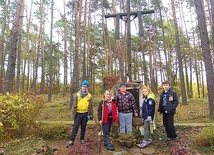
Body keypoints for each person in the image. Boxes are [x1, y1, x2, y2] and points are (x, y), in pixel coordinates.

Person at [66, 80, 93, 148]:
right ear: (81, 87)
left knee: (83, 127)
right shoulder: (77, 95)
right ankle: (71, 140)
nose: (84, 88)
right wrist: (73, 114)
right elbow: (73, 105)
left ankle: (82, 139)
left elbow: (91, 106)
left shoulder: (89, 96)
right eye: (83, 86)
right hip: (78, 114)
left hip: (85, 114)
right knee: (75, 127)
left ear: (88, 88)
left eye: (86, 87)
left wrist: (90, 115)